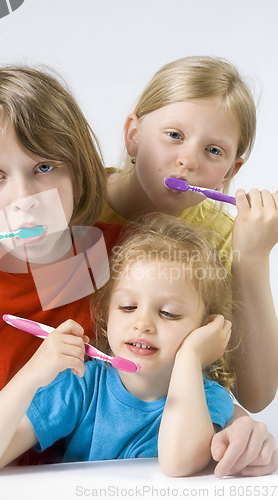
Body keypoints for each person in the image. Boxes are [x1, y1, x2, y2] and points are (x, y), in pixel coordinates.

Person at [0, 214, 273, 478]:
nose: (143, 324)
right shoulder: (81, 385)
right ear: (107, 313)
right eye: (127, 307)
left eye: (168, 313)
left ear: (205, 329)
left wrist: (191, 356)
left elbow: (179, 464)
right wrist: (32, 375)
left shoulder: (206, 398)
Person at [0, 65, 123, 471]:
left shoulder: (122, 256)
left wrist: (232, 422)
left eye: (44, 167)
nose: (23, 198)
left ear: (78, 169)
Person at [100, 56, 278, 413]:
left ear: (230, 171)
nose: (188, 161)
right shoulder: (75, 202)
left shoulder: (222, 236)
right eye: (174, 136)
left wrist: (252, 256)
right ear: (134, 136)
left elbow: (256, 395)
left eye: (213, 151)